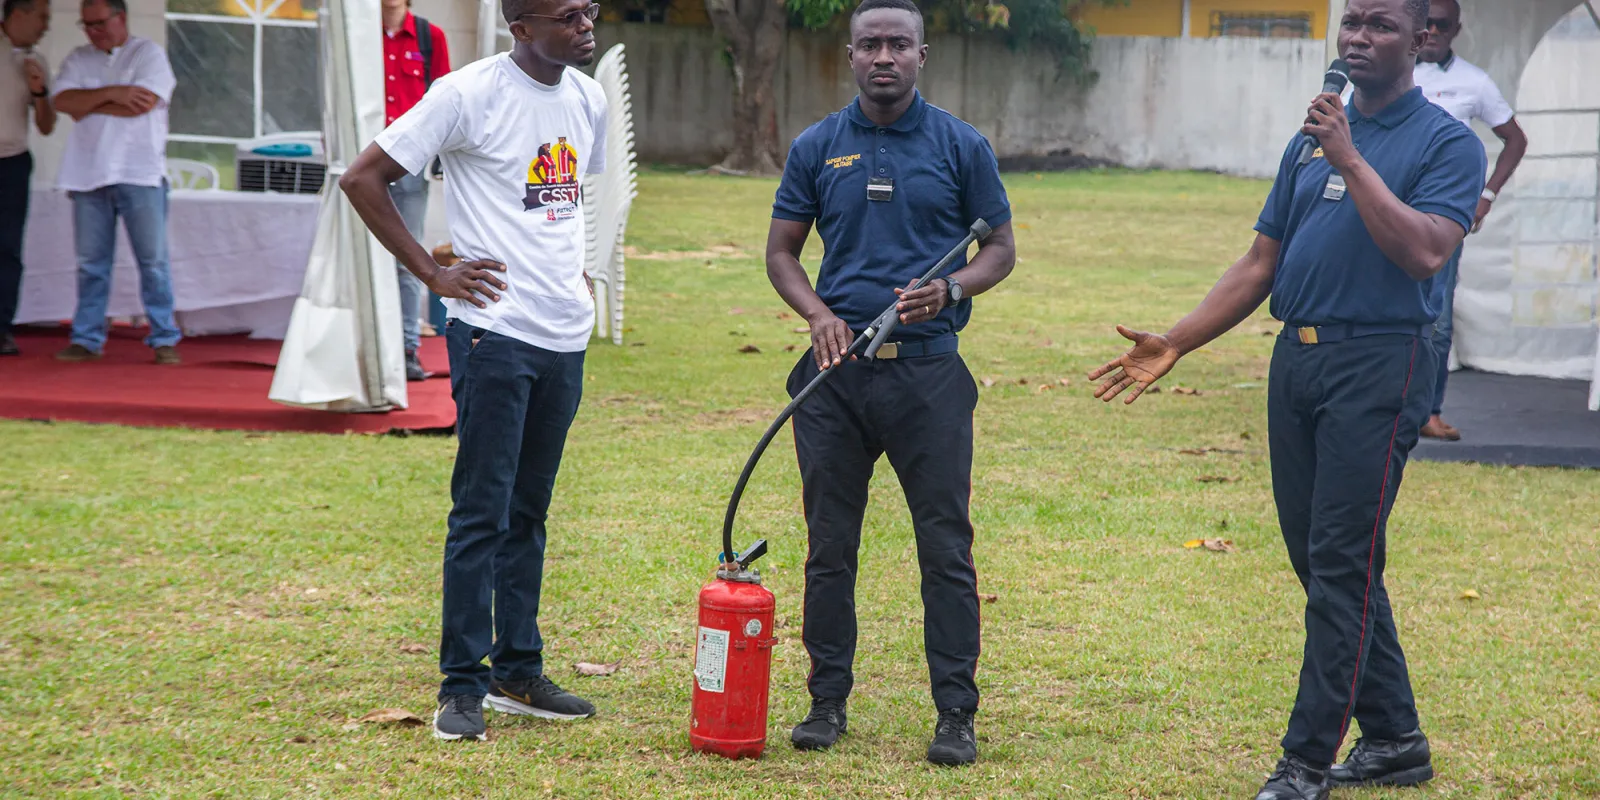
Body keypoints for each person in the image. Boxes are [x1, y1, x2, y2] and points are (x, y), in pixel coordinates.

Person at [1087, 0, 1482, 797]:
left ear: (1421, 40)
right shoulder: (1310, 140)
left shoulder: (1447, 144)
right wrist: (1178, 340)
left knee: (1340, 561)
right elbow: (1260, 262)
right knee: (1323, 559)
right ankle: (1396, 740)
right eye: (1352, 22)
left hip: (1379, 362)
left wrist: (1350, 158)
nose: (1359, 37)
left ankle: (1304, 761)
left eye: (1381, 25)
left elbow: (1424, 253)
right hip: (1296, 362)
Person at [338, 0, 607, 743]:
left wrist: (575, 272)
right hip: (495, 335)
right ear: (521, 28)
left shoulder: (588, 97)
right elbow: (363, 179)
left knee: (529, 511)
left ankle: (518, 672)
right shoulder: (466, 94)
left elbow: (563, 203)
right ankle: (462, 685)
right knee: (482, 512)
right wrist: (433, 273)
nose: (585, 26)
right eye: (567, 16)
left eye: (589, 10)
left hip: (564, 335)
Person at [766, 0, 1016, 767]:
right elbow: (781, 252)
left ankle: (955, 714)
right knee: (829, 547)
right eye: (870, 44)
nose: (884, 56)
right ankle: (826, 702)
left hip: (928, 376)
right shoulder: (817, 146)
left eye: (898, 44)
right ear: (850, 55)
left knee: (945, 546)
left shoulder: (960, 145)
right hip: (835, 379)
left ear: (921, 55)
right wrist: (817, 314)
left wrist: (953, 289)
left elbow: (1001, 248)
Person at [1413, 0, 1528, 441]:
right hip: (1387, 209)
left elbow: (1515, 140)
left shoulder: (1473, 81)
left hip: (1442, 217)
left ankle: (1429, 412)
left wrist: (1486, 196)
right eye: (1426, 23)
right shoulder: (1392, 75)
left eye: (1442, 25)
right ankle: (1382, 407)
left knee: (1437, 318)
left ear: (1457, 30)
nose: (1433, 31)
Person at [49, 0, 179, 364]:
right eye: (87, 25)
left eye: (99, 23)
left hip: (140, 172)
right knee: (91, 263)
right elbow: (63, 101)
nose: (93, 32)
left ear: (121, 18)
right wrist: (114, 92)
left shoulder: (148, 54)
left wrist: (89, 103)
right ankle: (86, 338)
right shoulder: (78, 57)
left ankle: (164, 337)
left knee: (153, 262)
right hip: (87, 174)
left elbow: (144, 102)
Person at [381, 0, 451, 381]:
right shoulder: (361, 35)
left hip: (409, 161)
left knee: (407, 256)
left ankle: (407, 348)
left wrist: (441, 153)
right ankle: (365, 345)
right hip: (368, 158)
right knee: (361, 256)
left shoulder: (429, 36)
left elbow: (445, 98)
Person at [1, 0, 55, 356]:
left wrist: (39, 91)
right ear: (19, 14)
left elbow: (47, 125)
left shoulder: (36, 62)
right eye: (43, 17)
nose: (46, 26)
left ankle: (1, 328)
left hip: (12, 162)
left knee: (7, 248)